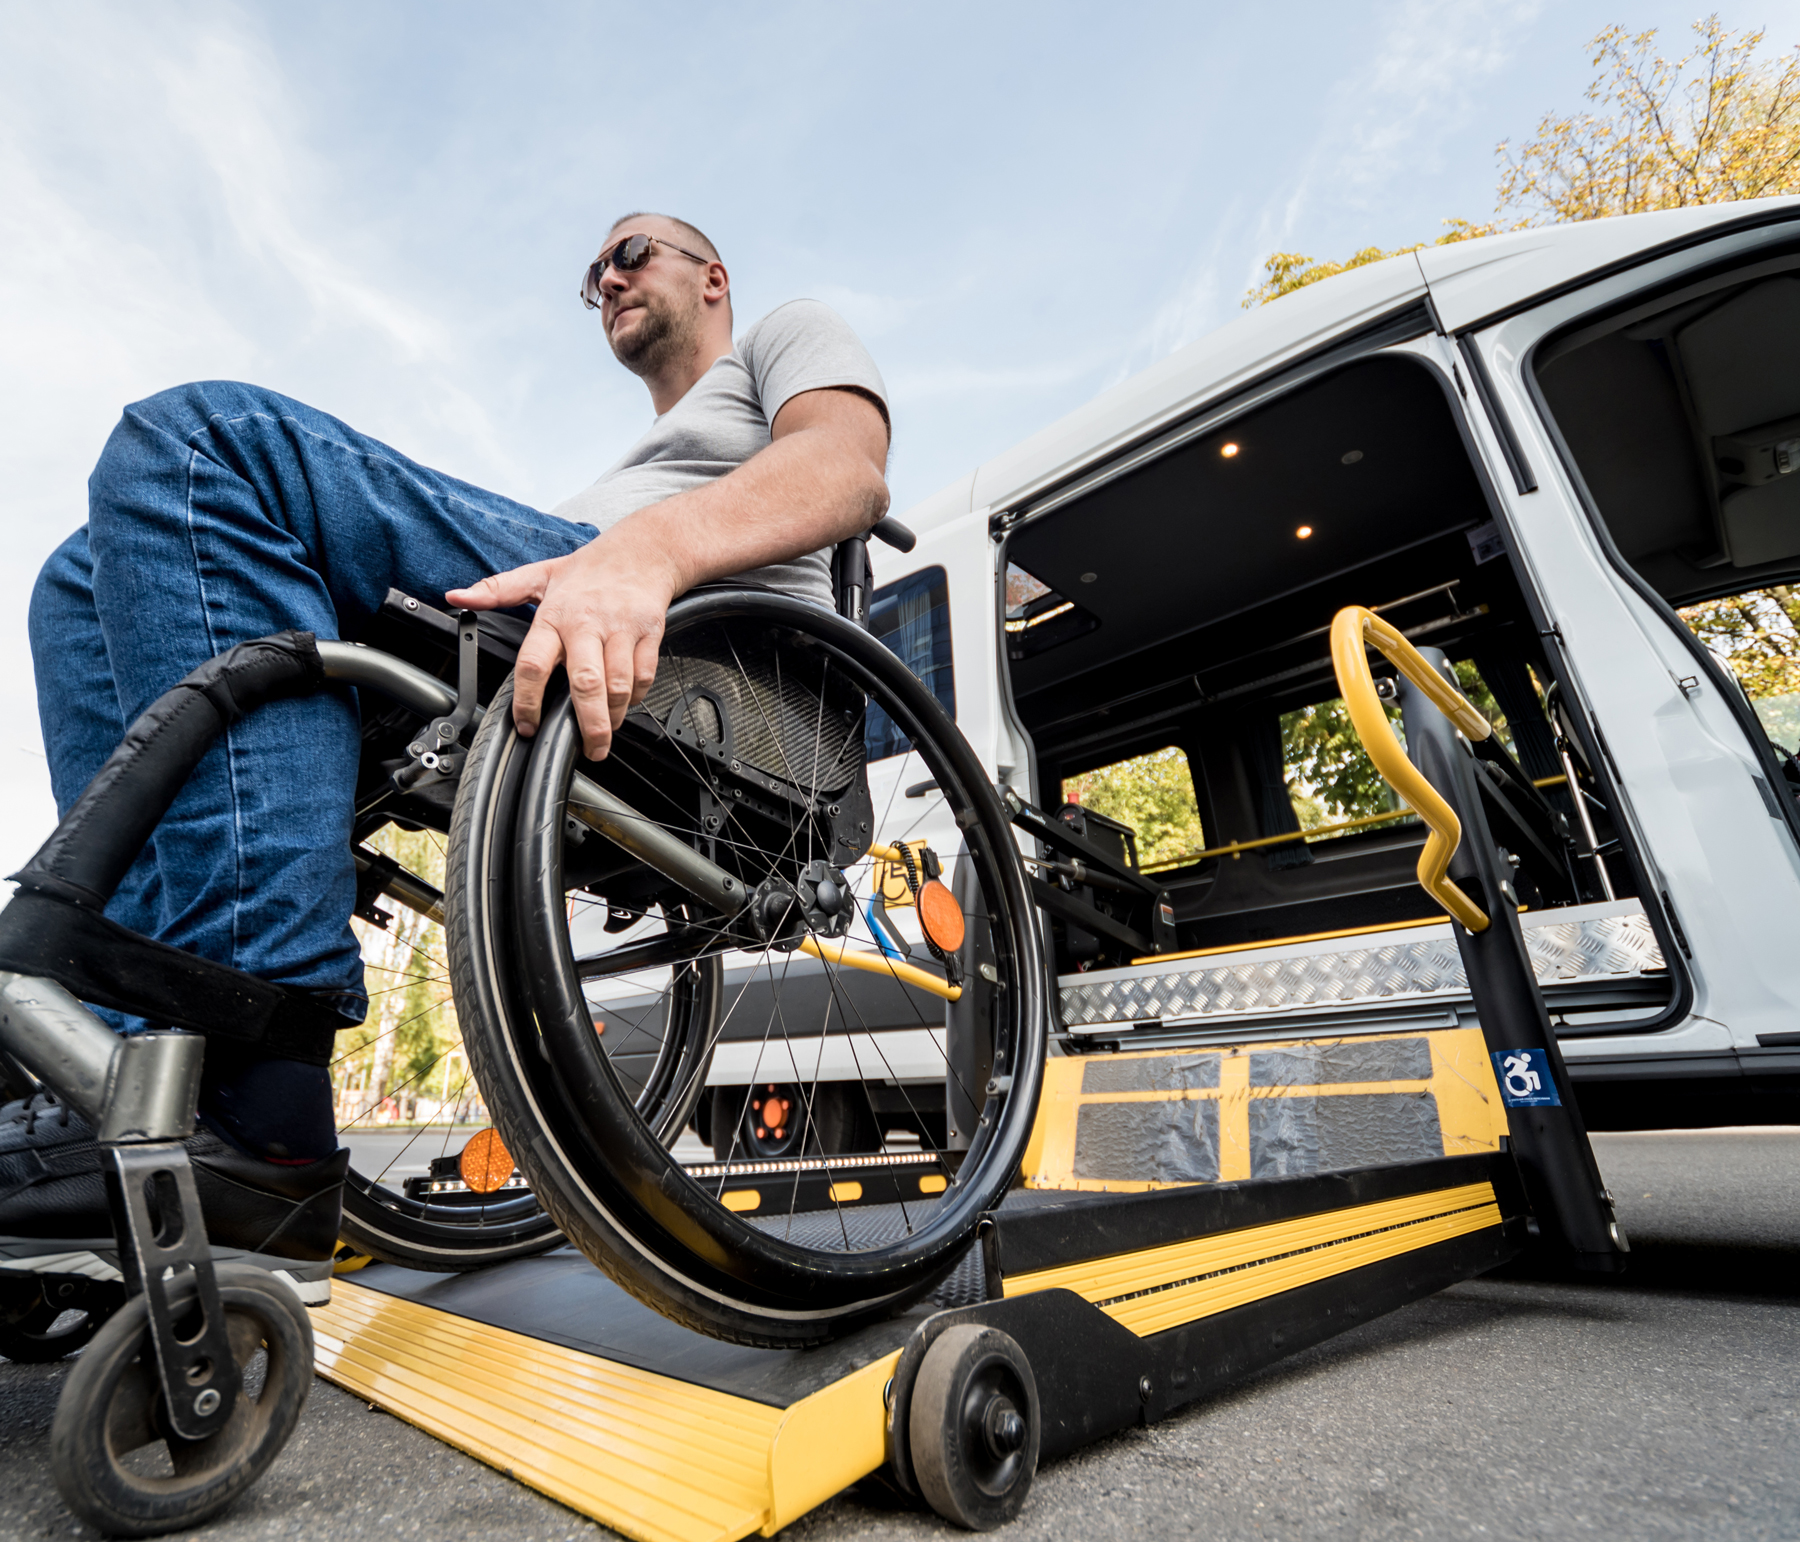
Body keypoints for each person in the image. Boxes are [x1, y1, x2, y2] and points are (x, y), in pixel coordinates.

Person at [0, 214, 892, 1304]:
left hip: (728, 673)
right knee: (86, 575)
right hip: (560, 608)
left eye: (628, 254)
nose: (603, 279)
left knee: (200, 445)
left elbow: (846, 471)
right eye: (589, 274)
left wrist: (643, 551)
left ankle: (255, 1091)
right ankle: (140, 1069)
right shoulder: (633, 470)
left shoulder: (784, 339)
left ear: (713, 276)